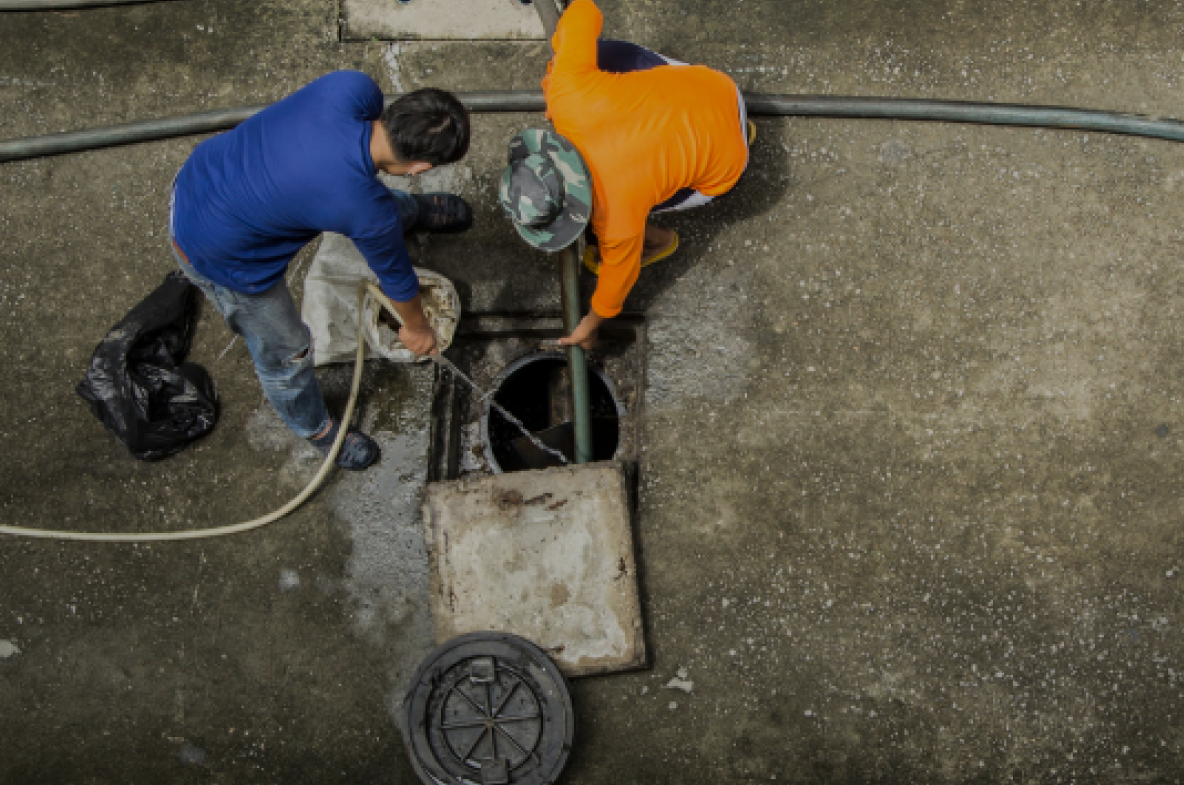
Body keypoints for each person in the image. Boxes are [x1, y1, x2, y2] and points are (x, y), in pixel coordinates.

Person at [169, 71, 473, 470]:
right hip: (217, 253)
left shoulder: (352, 88)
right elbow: (398, 281)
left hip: (203, 174)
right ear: (419, 167)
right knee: (287, 352)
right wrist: (416, 329)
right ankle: (315, 429)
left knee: (368, 205)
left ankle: (408, 212)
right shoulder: (365, 210)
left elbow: (356, 188)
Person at [499, 0, 752, 349]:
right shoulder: (567, 92)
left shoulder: (613, 216)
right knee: (600, 54)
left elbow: (617, 281)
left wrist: (588, 327)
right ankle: (744, 129)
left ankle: (660, 241)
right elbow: (584, 10)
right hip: (718, 89)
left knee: (630, 217)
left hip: (727, 166)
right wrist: (557, 71)